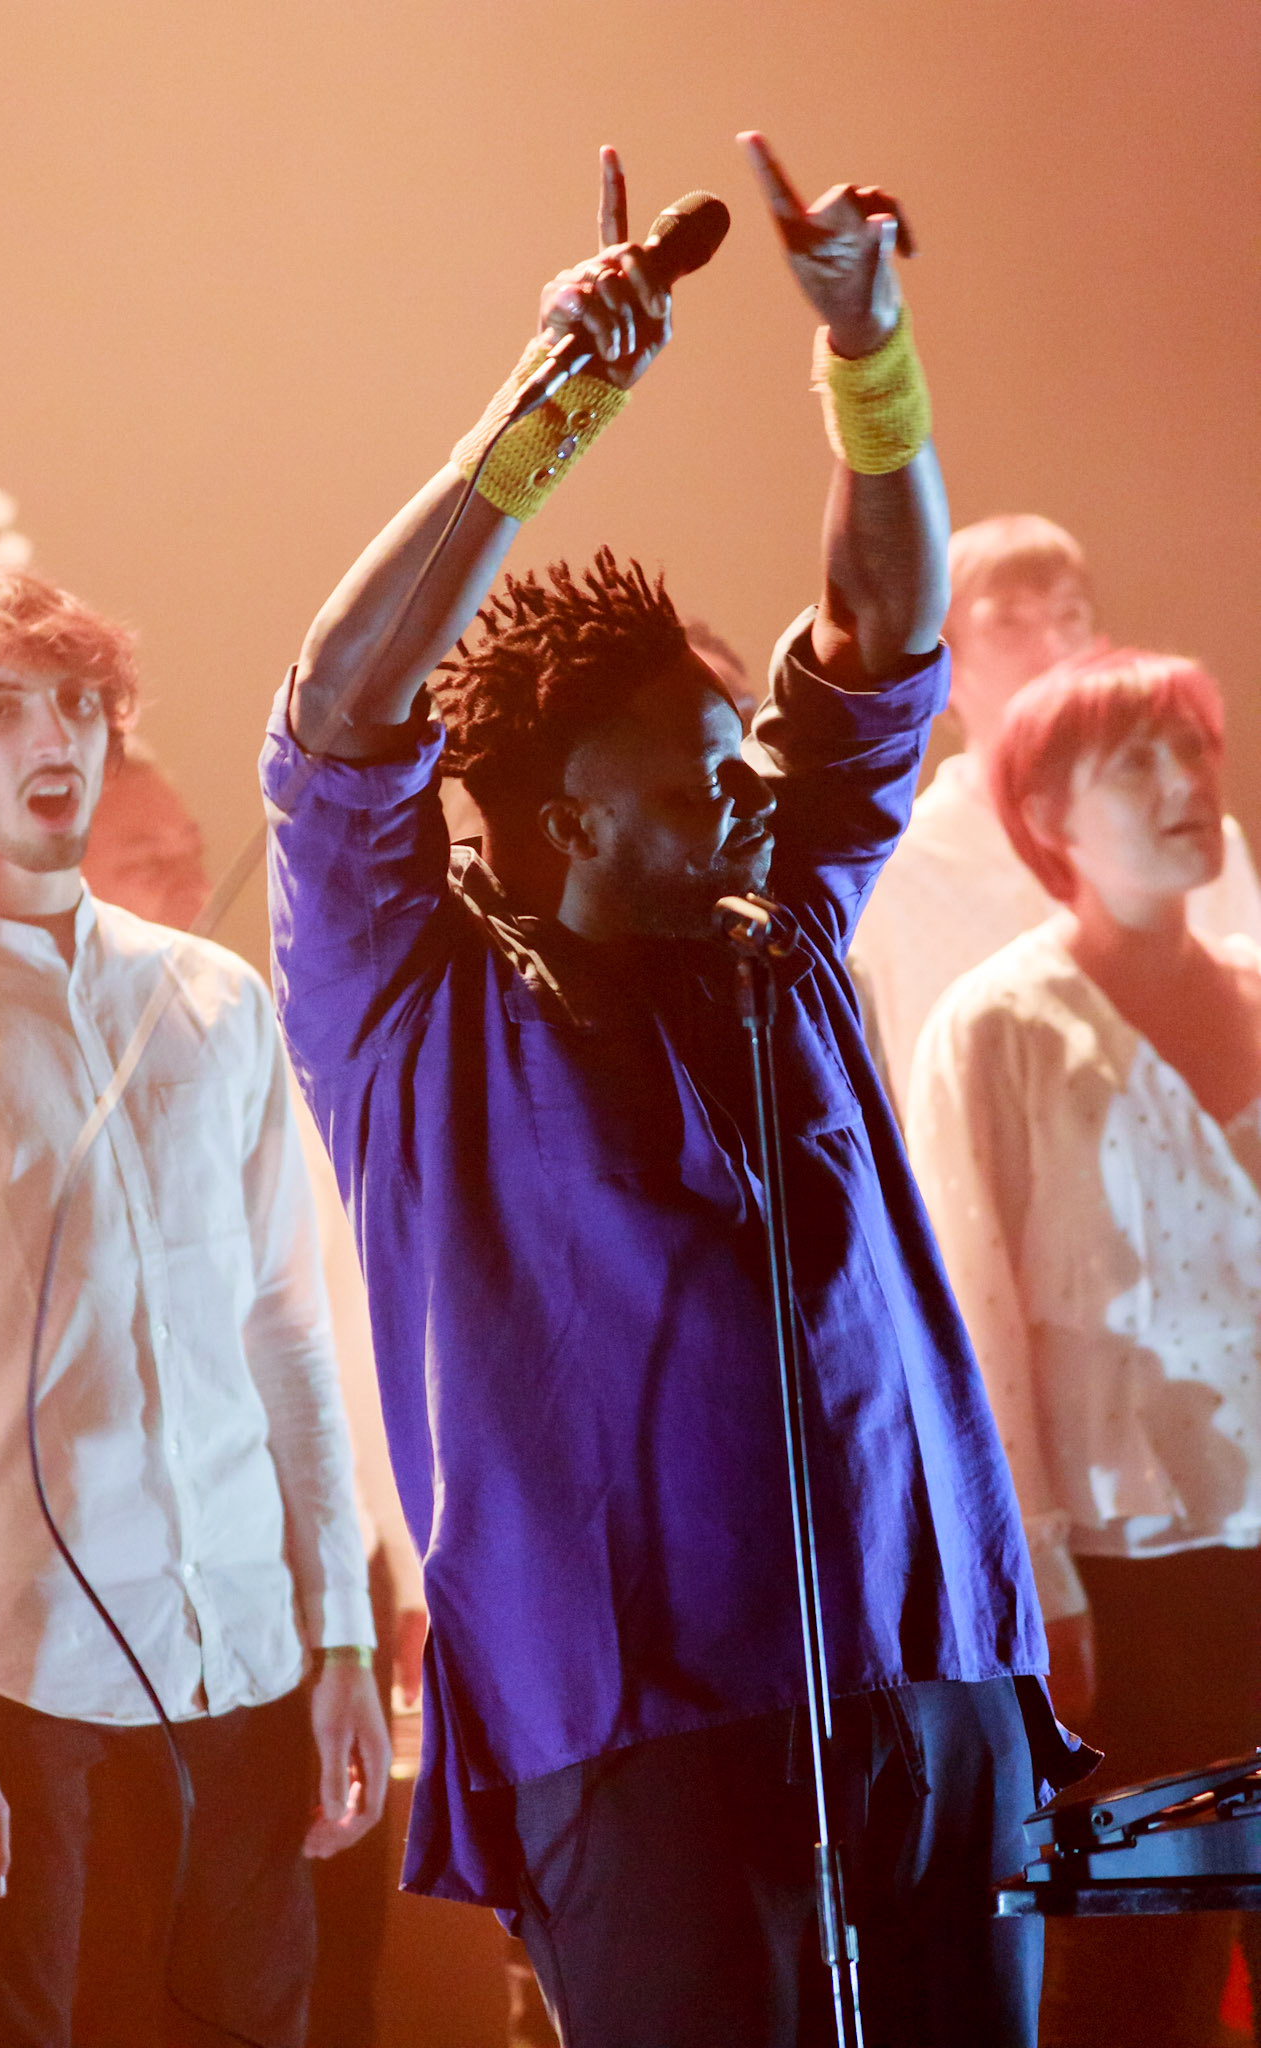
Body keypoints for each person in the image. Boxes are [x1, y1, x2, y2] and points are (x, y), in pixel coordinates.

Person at [260, 136, 1090, 2047]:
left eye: (743, 758)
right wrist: (544, 415)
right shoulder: (418, 999)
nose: (746, 792)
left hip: (925, 1665)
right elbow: (332, 721)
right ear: (564, 816)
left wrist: (870, 361)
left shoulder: (776, 924)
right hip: (637, 1721)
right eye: (701, 770)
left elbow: (888, 647)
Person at [0, 568, 390, 2048]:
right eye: (5, 712)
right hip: (21, 1677)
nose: (58, 739)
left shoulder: (219, 1001)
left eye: (81, 706)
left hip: (240, 1649)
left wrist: (344, 1637)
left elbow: (288, 1334)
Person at [907, 649, 1261, 2048]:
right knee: (1136, 1988)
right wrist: (1035, 1577)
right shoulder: (995, 1029)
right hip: (1125, 1589)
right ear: (1044, 812)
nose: (1185, 785)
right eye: (1137, 763)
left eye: (1197, 749)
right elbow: (973, 1329)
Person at [851, 514, 1261, 1102]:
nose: (1053, 647)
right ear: (944, 667)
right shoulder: (897, 871)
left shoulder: (1194, 840)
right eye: (1010, 621)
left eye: (1070, 615)